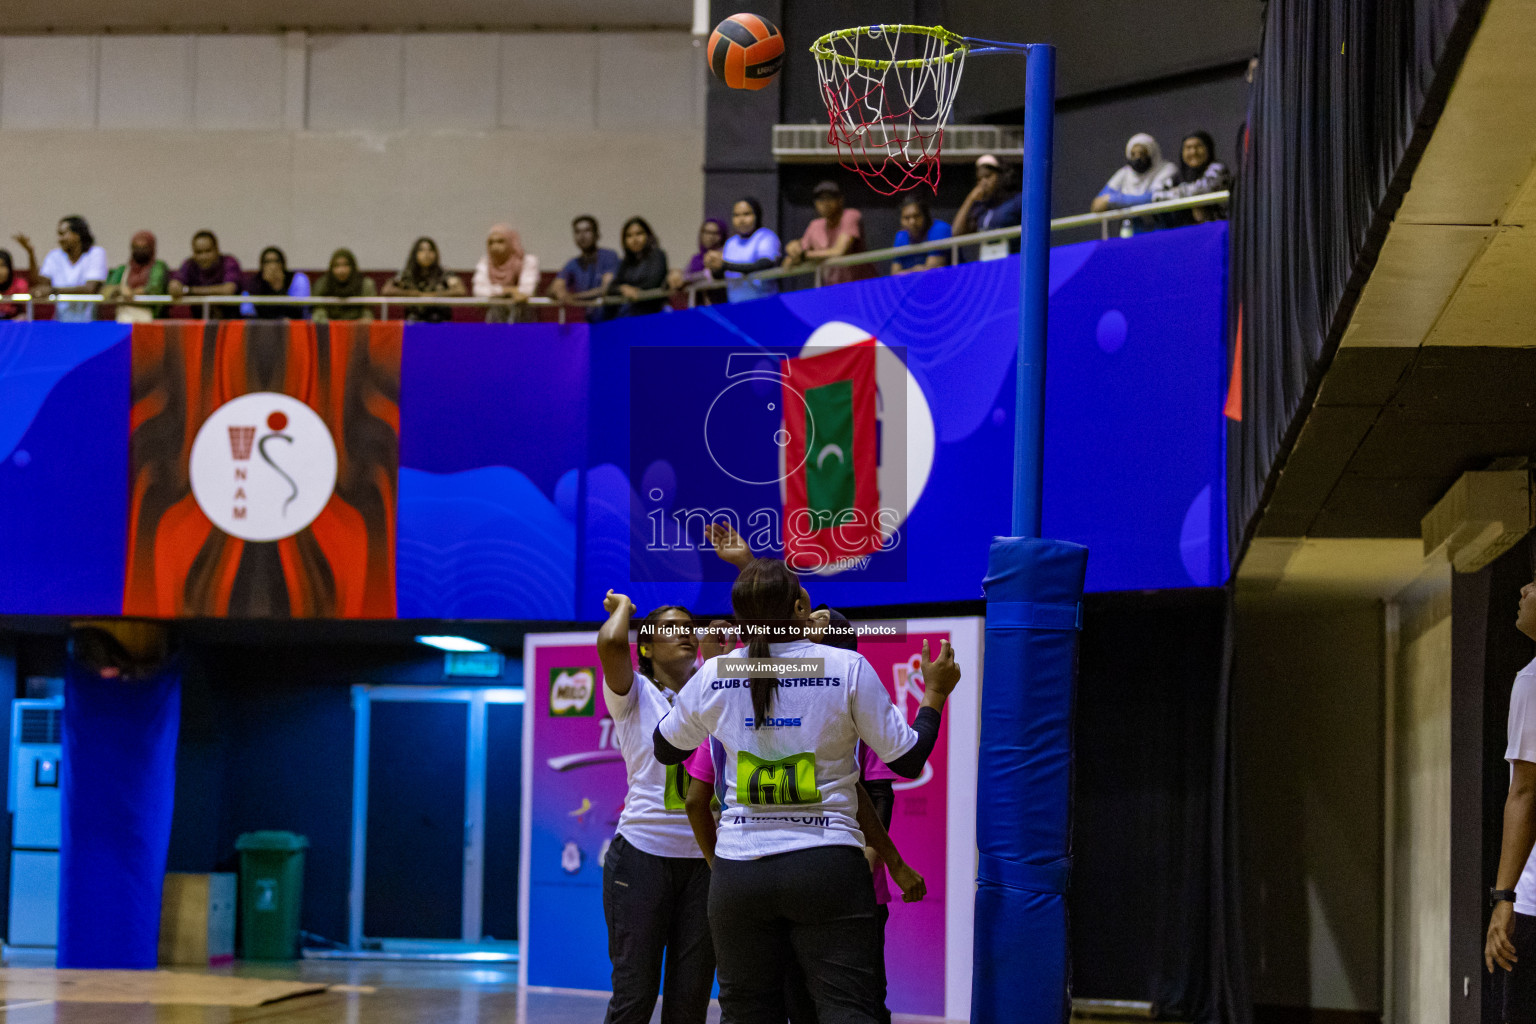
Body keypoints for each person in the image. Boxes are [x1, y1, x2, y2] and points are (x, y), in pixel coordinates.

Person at [654, 557, 963, 1024]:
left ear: (740, 618)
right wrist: (935, 694)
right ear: (800, 607)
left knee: (746, 1012)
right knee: (847, 1009)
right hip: (826, 866)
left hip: (739, 874)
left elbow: (665, 748)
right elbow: (907, 758)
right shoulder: (846, 667)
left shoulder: (715, 673)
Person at [593, 527, 752, 1024]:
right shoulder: (633, 693)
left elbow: (785, 619)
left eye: (691, 625)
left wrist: (746, 563)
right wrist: (624, 608)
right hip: (640, 859)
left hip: (706, 862)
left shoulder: (722, 683)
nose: (685, 630)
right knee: (634, 997)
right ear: (646, 648)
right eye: (670, 627)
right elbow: (613, 643)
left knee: (688, 1006)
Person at [1485, 571, 1536, 1024]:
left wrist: (1504, 899)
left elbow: (1523, 793)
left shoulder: (1533, 679)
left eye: (1535, 584)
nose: (1522, 591)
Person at [782, 181, 872, 285]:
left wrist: (804, 255)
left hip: (860, 288)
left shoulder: (850, 216)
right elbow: (792, 259)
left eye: (830, 197)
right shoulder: (815, 225)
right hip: (831, 291)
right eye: (820, 199)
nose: (825, 203)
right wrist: (793, 250)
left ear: (840, 200)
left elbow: (838, 251)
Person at [1090, 134, 1177, 235]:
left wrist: (1112, 200)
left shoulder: (1167, 169)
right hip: (1132, 234)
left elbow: (1154, 198)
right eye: (1133, 154)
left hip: (1164, 232)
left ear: (1152, 153)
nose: (1137, 158)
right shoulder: (1124, 173)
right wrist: (1135, 201)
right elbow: (1097, 205)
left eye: (1142, 154)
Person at [707, 198, 781, 303]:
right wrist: (714, 266)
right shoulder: (730, 243)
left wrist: (724, 265)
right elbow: (722, 276)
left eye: (746, 214)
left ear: (757, 215)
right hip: (736, 305)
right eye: (736, 215)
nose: (741, 220)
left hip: (763, 303)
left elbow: (763, 265)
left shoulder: (766, 236)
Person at [549, 216, 621, 324]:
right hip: (591, 325)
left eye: (587, 231)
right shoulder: (573, 264)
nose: (582, 236)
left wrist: (573, 297)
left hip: (615, 321)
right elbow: (554, 287)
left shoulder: (609, 256)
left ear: (597, 235)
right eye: (577, 232)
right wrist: (559, 291)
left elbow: (606, 288)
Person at [37, 216, 109, 323]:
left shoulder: (96, 253)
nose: (59, 239)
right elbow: (42, 286)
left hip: (88, 323)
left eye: (63, 234)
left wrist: (54, 291)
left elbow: (90, 289)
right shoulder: (54, 255)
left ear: (77, 235)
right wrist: (30, 253)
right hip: (60, 322)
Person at [1152, 130, 1233, 224]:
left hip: (1217, 229)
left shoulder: (1217, 169)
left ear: (1208, 149)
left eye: (1198, 146)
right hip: (1186, 231)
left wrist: (1176, 192)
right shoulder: (1177, 177)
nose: (1193, 152)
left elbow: (1201, 189)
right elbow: (1156, 196)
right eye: (1188, 148)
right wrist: (1189, 196)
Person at [383, 237, 466, 323]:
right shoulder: (407, 274)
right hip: (414, 319)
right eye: (422, 250)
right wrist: (416, 294)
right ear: (415, 254)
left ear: (435, 254)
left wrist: (433, 296)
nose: (426, 254)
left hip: (440, 319)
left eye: (430, 250)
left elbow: (460, 290)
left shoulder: (443, 273)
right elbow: (387, 290)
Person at [472, 223, 539, 324]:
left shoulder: (528, 261)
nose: (495, 246)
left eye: (500, 241)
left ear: (511, 242)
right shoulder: (484, 262)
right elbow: (479, 291)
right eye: (491, 242)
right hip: (495, 321)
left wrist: (495, 292)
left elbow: (527, 290)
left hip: (523, 319)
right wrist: (510, 291)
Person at [168, 230, 243, 318]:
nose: (203, 257)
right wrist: (175, 287)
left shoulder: (229, 262)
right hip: (199, 323)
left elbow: (228, 289)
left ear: (217, 250)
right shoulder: (189, 264)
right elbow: (173, 287)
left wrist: (189, 290)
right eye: (199, 252)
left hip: (231, 322)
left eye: (208, 251)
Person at [102, 231, 170, 321]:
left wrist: (132, 294)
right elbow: (106, 291)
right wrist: (119, 289)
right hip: (123, 318)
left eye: (144, 248)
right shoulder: (122, 269)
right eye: (136, 247)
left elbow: (154, 288)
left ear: (152, 248)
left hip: (151, 319)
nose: (140, 251)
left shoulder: (158, 267)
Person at [608, 217, 669, 317]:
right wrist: (622, 289)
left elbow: (654, 283)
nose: (634, 239)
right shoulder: (626, 262)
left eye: (639, 234)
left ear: (648, 235)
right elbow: (611, 288)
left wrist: (634, 290)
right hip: (631, 315)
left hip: (654, 313)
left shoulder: (657, 255)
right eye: (629, 236)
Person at [953, 154, 1021, 238]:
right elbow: (956, 232)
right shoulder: (980, 208)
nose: (983, 182)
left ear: (1001, 175)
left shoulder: (1016, 201)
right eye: (979, 179)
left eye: (988, 176)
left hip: (1012, 251)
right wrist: (970, 199)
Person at [667, 218, 726, 306]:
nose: (710, 237)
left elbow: (708, 275)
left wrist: (686, 279)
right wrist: (677, 276)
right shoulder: (696, 259)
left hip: (721, 304)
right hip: (698, 307)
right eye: (706, 232)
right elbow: (683, 276)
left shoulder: (726, 254)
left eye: (715, 233)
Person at [241, 247, 311, 320]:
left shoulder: (298, 279)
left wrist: (279, 287)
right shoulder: (253, 284)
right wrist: (268, 286)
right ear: (262, 265)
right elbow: (247, 313)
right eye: (267, 262)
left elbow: (299, 310)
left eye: (276, 261)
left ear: (282, 263)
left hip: (293, 325)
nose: (272, 266)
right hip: (263, 327)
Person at [890, 196, 952, 275]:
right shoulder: (901, 236)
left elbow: (930, 272)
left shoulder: (940, 229)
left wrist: (906, 273)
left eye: (916, 216)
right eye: (906, 218)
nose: (912, 222)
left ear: (925, 216)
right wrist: (915, 270)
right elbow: (894, 274)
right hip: (912, 285)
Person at [311, 249, 375, 323]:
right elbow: (319, 311)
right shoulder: (323, 284)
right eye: (337, 265)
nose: (341, 270)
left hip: (357, 328)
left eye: (346, 265)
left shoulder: (365, 284)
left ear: (353, 266)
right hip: (330, 329)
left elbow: (367, 312)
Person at [1, 236, 38, 320]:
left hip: (15, 327)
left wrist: (30, 252)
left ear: (10, 268)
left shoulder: (20, 285)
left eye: (3, 266)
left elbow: (26, 313)